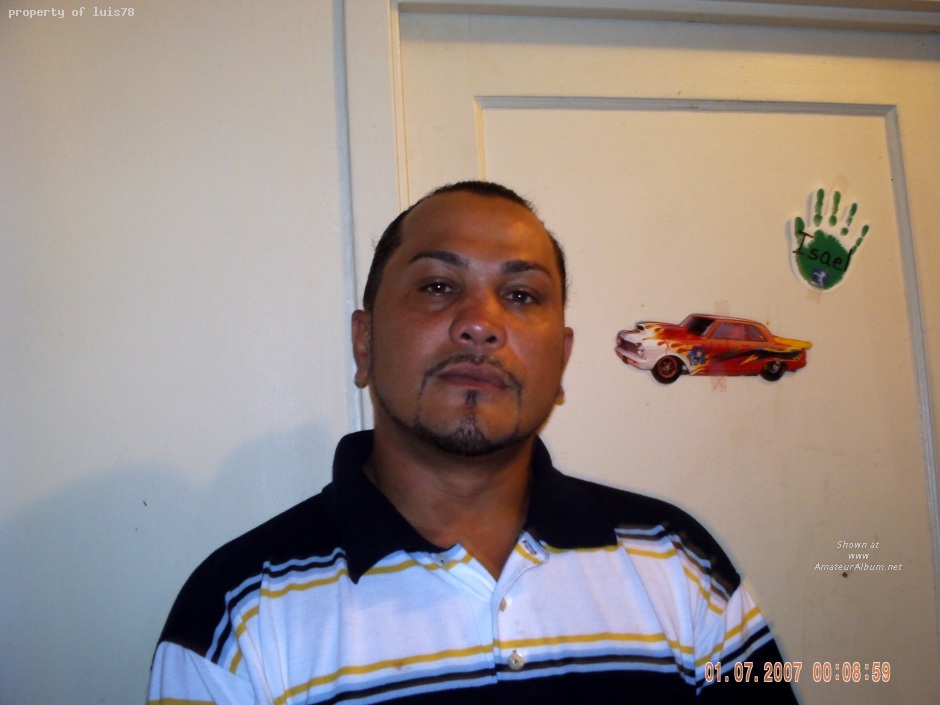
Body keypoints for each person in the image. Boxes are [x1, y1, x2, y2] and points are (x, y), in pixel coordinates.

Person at [149, 181, 798, 704]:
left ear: (561, 360)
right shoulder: (235, 614)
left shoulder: (680, 563)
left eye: (521, 294)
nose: (481, 324)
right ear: (364, 343)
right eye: (438, 287)